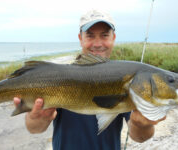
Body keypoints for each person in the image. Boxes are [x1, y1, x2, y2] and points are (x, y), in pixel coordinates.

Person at [14, 10, 165, 150]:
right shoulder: (60, 78)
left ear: (114, 38)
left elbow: (139, 137)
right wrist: (37, 119)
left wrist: (143, 126)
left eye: (105, 35)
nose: (98, 44)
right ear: (81, 38)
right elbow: (34, 128)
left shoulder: (126, 77)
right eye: (90, 35)